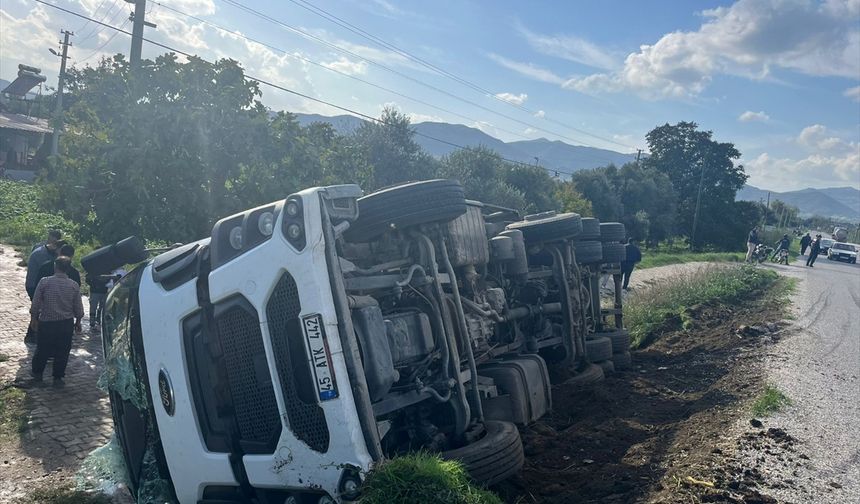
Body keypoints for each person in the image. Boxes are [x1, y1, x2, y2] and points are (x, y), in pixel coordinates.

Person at [29, 256, 84, 387]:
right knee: (63, 351)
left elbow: (35, 304)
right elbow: (78, 307)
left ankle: (38, 374)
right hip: (65, 323)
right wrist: (78, 321)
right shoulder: (73, 285)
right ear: (68, 269)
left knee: (42, 348)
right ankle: (58, 378)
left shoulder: (44, 282)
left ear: (55, 266)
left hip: (47, 322)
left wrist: (33, 319)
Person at [24, 233, 63, 344]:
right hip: (34, 285)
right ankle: (33, 334)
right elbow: (49, 272)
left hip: (37, 284)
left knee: (40, 309)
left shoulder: (45, 251)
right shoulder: (41, 255)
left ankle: (33, 334)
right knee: (39, 309)